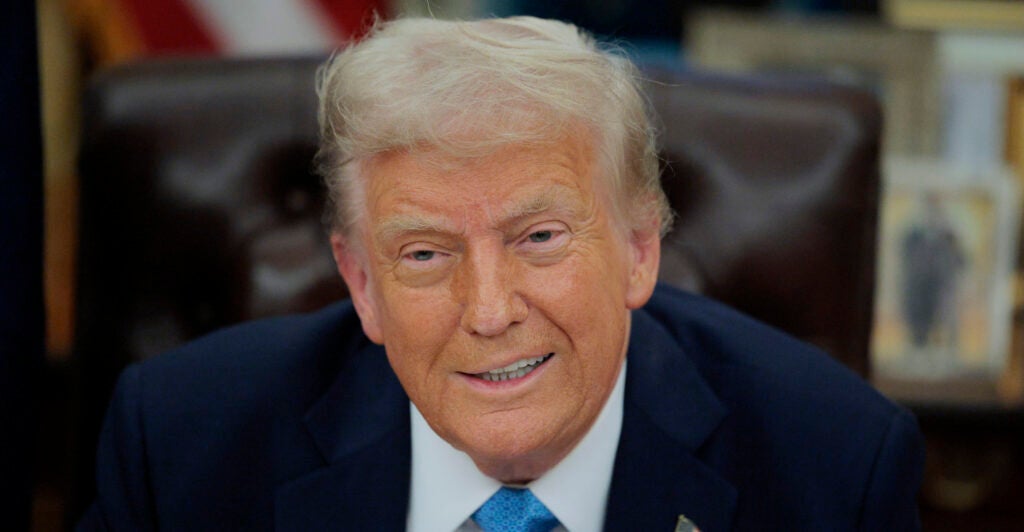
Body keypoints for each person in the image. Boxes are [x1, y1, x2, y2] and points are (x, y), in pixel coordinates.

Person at [78, 16, 924, 531]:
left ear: (638, 247)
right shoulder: (183, 448)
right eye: (424, 254)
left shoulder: (834, 467)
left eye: (540, 237)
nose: (487, 311)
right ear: (361, 283)